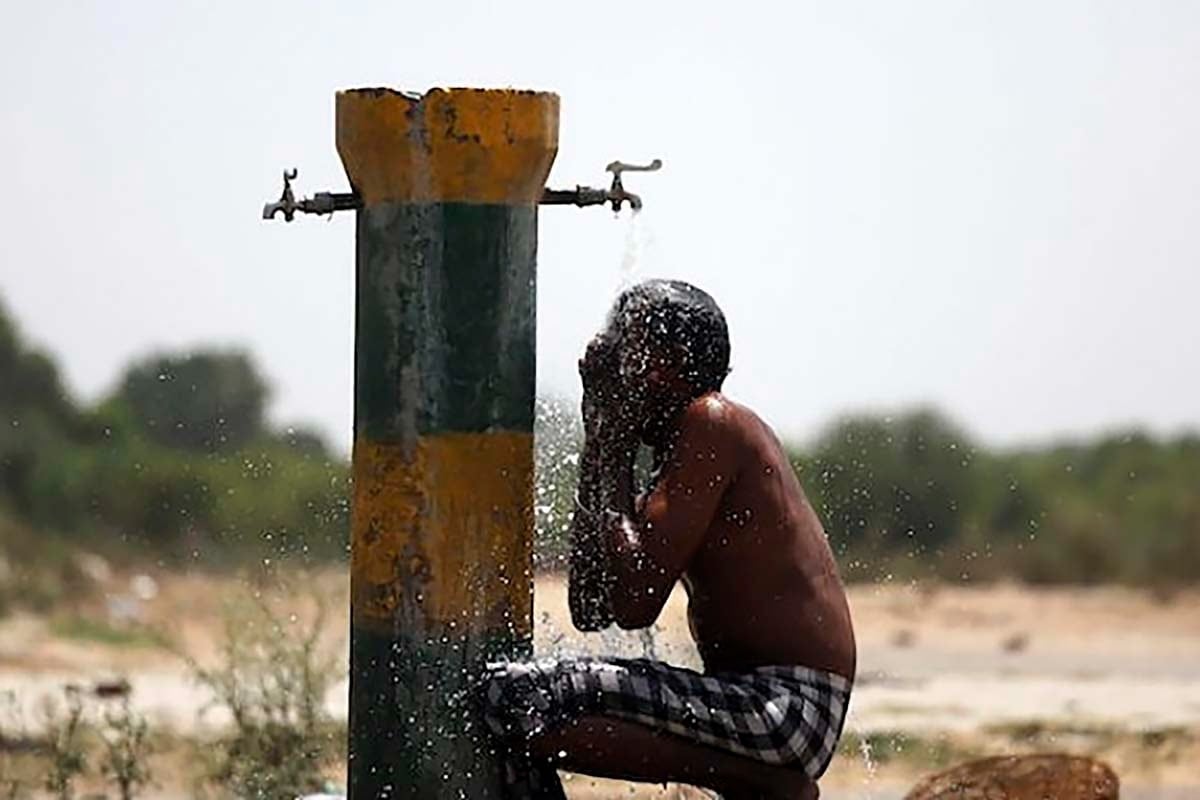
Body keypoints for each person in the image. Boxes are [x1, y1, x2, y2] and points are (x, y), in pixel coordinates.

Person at [479, 280, 856, 799]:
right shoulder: (675, 452)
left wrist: (612, 448)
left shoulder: (713, 423)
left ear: (662, 365)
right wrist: (601, 440)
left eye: (621, 342)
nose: (602, 355)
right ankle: (756, 779)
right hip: (749, 702)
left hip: (786, 707)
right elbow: (591, 606)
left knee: (514, 694)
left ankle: (758, 782)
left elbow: (635, 604)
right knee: (517, 700)